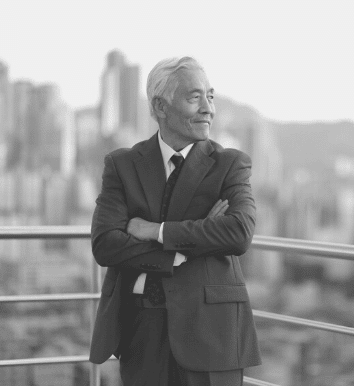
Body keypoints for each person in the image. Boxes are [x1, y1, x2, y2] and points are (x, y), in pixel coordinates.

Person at [88, 56, 261, 386]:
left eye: (210, 96)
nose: (208, 108)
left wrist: (156, 231)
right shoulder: (122, 165)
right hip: (141, 330)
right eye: (194, 97)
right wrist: (188, 247)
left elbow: (238, 233)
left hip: (212, 332)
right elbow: (105, 244)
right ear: (161, 106)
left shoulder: (231, 164)